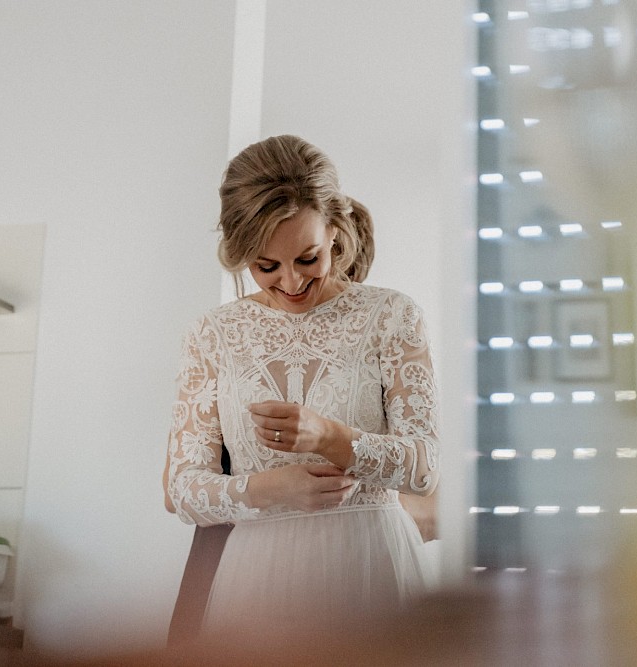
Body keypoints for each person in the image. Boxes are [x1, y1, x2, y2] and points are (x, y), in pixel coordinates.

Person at [164, 135, 440, 643]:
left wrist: (331, 438)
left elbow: (424, 467)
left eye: (308, 258)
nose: (290, 282)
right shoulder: (211, 334)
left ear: (335, 232)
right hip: (255, 580)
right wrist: (268, 490)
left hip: (372, 566)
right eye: (266, 267)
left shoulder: (392, 316)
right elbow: (181, 491)